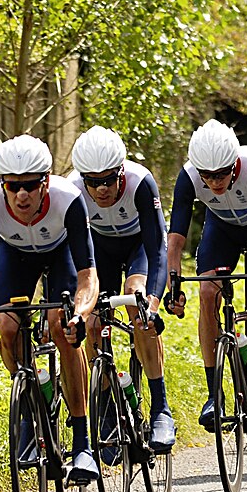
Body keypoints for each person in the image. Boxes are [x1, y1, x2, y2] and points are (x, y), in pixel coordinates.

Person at [0, 134, 100, 484]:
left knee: (60, 326)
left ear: (46, 182)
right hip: (15, 256)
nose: (21, 195)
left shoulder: (69, 199)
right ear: (2, 185)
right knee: (7, 327)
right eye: (12, 186)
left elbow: (88, 276)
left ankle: (82, 443)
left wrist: (79, 316)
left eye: (30, 186)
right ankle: (31, 408)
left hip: (61, 254)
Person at [166, 120, 247, 431]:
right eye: (207, 175)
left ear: (234, 163)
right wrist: (172, 284)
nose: (214, 182)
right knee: (208, 293)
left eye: (222, 173)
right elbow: (175, 240)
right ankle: (215, 395)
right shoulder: (189, 176)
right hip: (221, 230)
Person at [68, 127, 175, 453]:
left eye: (109, 180)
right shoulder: (71, 190)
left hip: (138, 248)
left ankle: (160, 408)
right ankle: (108, 409)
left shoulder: (141, 182)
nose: (101, 189)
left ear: (121, 172)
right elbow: (69, 253)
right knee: (94, 322)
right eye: (92, 181)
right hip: (100, 252)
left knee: (136, 301)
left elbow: (158, 249)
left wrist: (153, 306)